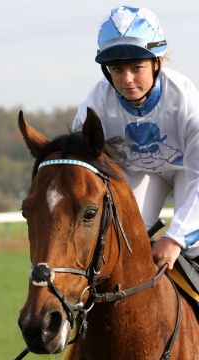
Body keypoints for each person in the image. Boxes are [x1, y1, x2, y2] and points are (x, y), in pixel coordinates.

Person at [71, 5, 199, 271]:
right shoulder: (95, 103)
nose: (127, 79)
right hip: (140, 173)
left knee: (193, 242)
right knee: (125, 239)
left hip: (188, 171)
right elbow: (77, 164)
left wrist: (175, 239)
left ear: (156, 62)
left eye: (136, 67)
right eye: (117, 69)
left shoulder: (187, 100)